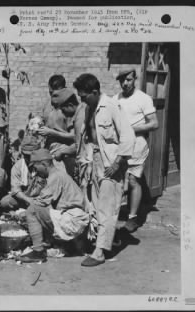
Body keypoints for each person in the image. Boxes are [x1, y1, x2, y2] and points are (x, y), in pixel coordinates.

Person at [62, 73, 135, 267]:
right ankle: (101, 240)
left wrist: (118, 163)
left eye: (84, 96)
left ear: (95, 92)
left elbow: (128, 137)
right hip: (94, 160)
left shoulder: (111, 106)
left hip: (111, 162)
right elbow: (89, 138)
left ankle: (100, 251)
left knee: (107, 208)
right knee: (95, 204)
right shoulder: (89, 108)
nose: (82, 100)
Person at [17, 149, 90, 263]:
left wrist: (22, 212)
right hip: (75, 218)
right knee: (41, 211)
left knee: (32, 211)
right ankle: (68, 245)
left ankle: (38, 251)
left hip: (74, 221)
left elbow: (41, 202)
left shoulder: (55, 177)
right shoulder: (58, 174)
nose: (35, 171)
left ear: (44, 164)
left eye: (36, 167)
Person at [114, 69, 159, 232]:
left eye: (128, 80)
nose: (125, 83)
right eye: (122, 80)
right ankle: (115, 212)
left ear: (135, 80)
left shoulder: (143, 99)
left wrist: (131, 129)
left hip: (137, 145)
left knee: (133, 180)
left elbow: (154, 123)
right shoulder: (116, 99)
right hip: (120, 146)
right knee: (118, 179)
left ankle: (133, 217)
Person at [38, 75, 76, 176]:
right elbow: (45, 123)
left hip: (64, 153)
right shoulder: (47, 105)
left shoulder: (69, 108)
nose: (53, 96)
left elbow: (74, 135)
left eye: (56, 94)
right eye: (50, 92)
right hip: (48, 150)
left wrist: (52, 132)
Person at [0, 136, 45, 211]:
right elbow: (16, 190)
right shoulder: (17, 167)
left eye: (31, 155)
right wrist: (28, 200)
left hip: (40, 198)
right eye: (26, 156)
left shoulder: (44, 164)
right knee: (5, 202)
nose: (29, 158)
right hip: (24, 198)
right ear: (22, 153)